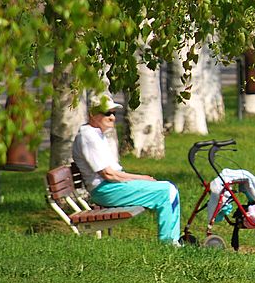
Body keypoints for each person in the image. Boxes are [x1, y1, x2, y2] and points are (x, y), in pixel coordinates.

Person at [72, 93, 182, 245]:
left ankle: (171, 240)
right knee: (166, 191)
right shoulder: (89, 137)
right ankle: (169, 243)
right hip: (106, 190)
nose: (112, 117)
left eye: (114, 113)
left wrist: (140, 178)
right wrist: (142, 178)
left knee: (169, 189)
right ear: (93, 114)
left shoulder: (95, 134)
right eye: (107, 113)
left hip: (111, 187)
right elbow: (108, 174)